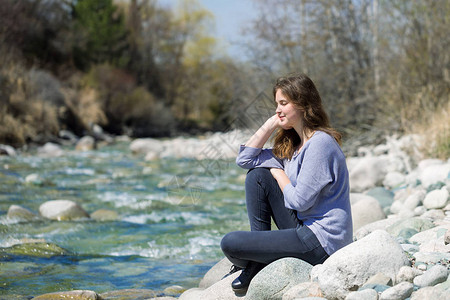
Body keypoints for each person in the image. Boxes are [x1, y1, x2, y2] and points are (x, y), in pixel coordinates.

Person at [220, 73, 353, 293]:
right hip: (303, 228)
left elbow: (299, 200)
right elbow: (245, 160)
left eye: (283, 103)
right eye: (276, 104)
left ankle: (256, 263)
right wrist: (271, 124)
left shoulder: (320, 144)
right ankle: (257, 262)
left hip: (323, 241)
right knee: (257, 176)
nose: (277, 109)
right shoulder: (293, 146)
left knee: (230, 243)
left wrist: (278, 172)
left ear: (302, 104)